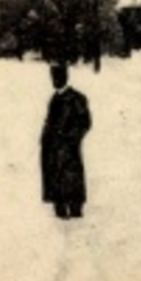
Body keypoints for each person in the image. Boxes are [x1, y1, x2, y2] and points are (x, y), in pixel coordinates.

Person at [39, 62, 91, 220]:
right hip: (52, 149)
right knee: (55, 180)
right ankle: (59, 208)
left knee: (71, 179)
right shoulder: (54, 98)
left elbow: (85, 122)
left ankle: (76, 210)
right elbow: (49, 122)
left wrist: (71, 139)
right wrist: (45, 138)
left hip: (68, 149)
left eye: (59, 76)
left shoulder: (77, 98)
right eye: (53, 77)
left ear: (66, 77)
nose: (55, 80)